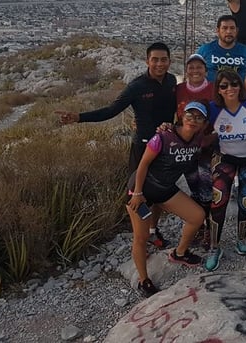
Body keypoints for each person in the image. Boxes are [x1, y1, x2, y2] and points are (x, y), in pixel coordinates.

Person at [56, 41, 177, 248]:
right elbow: (111, 110)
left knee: (160, 193)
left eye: (163, 60)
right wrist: (79, 117)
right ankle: (141, 236)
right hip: (143, 147)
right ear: (147, 61)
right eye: (155, 60)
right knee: (138, 194)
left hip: (165, 147)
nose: (159, 64)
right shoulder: (137, 86)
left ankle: (153, 230)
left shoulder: (172, 81)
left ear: (169, 61)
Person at [126, 102, 213, 297]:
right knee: (141, 237)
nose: (193, 120)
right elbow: (143, 164)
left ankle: (179, 253)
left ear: (204, 123)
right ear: (182, 116)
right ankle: (143, 280)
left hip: (165, 189)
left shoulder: (199, 140)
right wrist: (138, 193)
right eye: (190, 115)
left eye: (199, 118)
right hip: (142, 190)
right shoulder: (164, 136)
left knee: (197, 216)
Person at [204, 69, 246, 271]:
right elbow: (192, 123)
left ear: (241, 86)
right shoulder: (213, 109)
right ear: (218, 90)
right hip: (225, 158)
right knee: (219, 199)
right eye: (224, 86)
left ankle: (242, 239)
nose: (229, 89)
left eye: (234, 84)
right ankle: (215, 246)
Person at [176, 53, 215, 250]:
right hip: (186, 147)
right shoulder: (179, 89)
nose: (195, 71)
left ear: (206, 71)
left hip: (207, 147)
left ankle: (208, 228)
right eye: (191, 67)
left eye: (199, 67)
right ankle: (198, 225)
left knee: (206, 188)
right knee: (194, 187)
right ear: (186, 71)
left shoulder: (214, 89)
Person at [196, 15, 246, 98]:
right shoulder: (205, 50)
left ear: (237, 31)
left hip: (238, 100)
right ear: (218, 30)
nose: (228, 31)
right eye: (224, 28)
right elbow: (193, 72)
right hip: (211, 99)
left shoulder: (245, 51)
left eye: (232, 28)